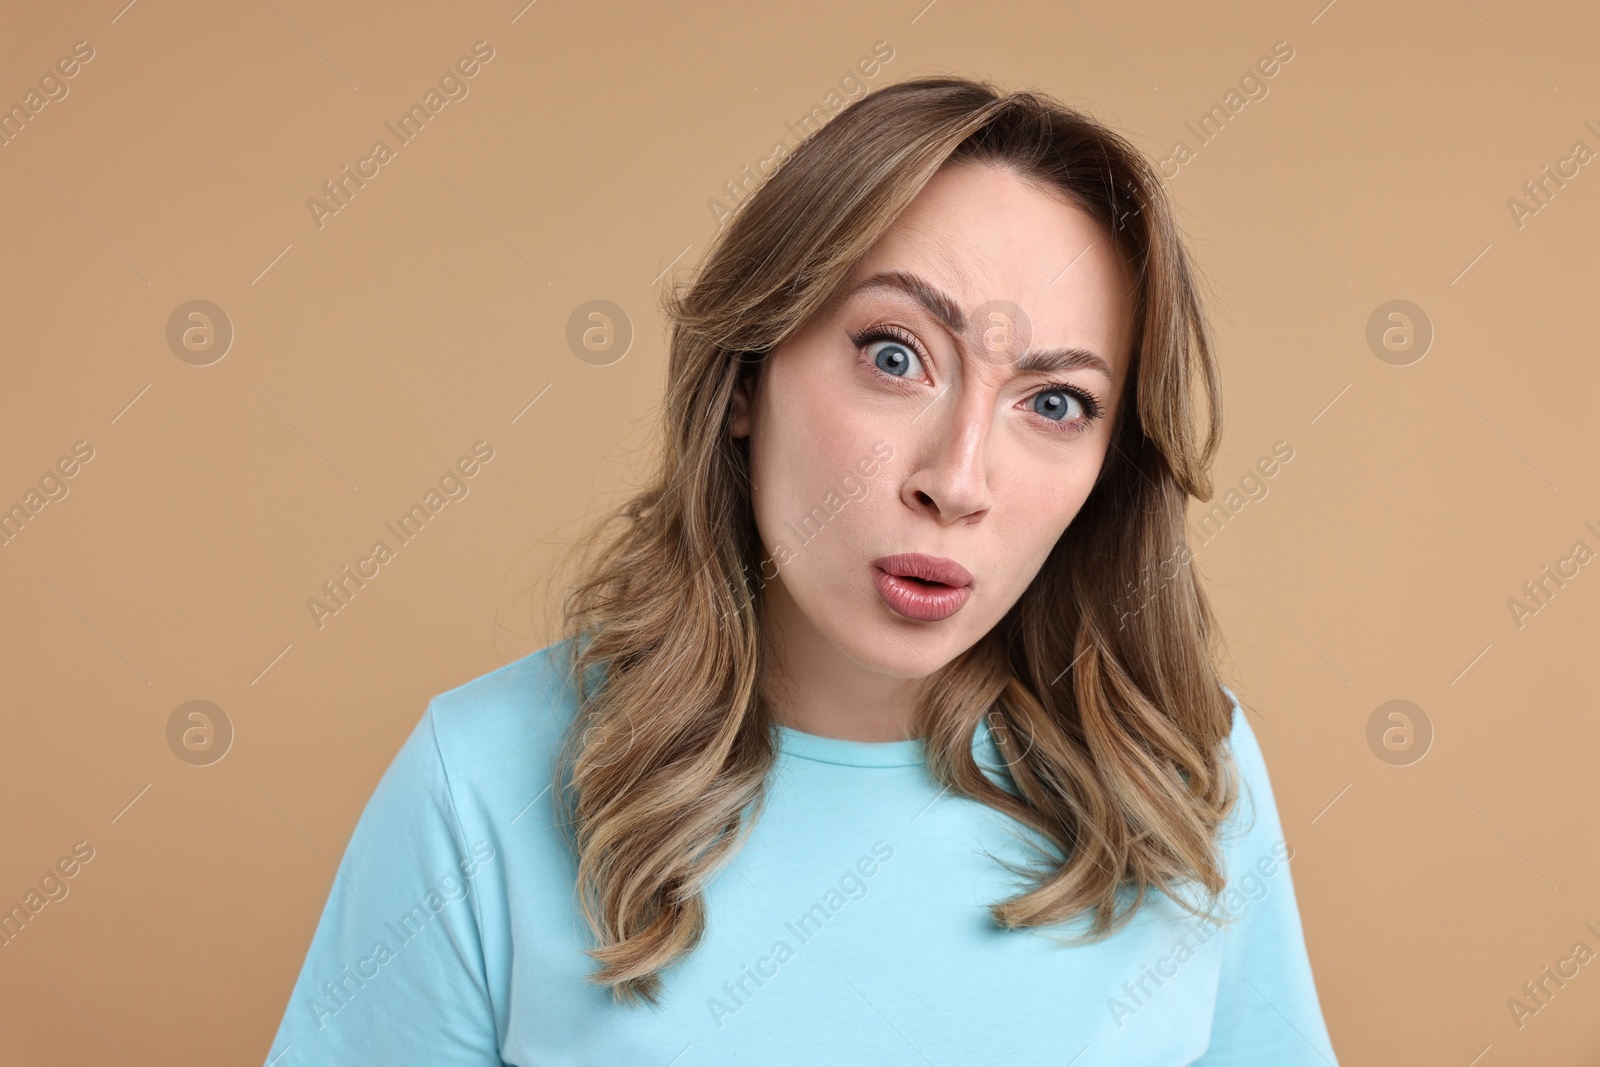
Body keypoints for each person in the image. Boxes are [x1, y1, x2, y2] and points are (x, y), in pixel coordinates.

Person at [263, 75, 1339, 1065]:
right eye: (893, 353)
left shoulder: (1188, 772)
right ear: (746, 377)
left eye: (1053, 402)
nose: (957, 479)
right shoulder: (481, 780)